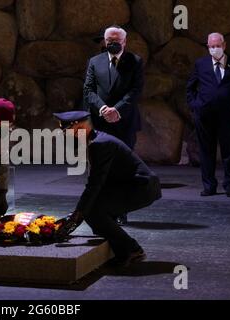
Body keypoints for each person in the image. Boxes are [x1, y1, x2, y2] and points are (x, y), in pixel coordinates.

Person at [54, 111, 162, 267]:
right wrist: (78, 213)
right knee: (93, 209)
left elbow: (95, 184)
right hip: (130, 185)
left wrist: (77, 216)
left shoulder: (99, 144)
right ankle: (115, 245)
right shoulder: (96, 139)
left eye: (68, 131)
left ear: (80, 127)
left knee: (93, 212)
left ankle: (133, 250)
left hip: (141, 188)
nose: (66, 135)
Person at [84, 25, 145, 225]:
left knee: (124, 167)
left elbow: (135, 90)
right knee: (101, 167)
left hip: (124, 122)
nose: (113, 43)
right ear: (104, 40)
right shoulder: (95, 62)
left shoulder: (135, 61)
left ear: (125, 41)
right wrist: (103, 109)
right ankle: (101, 207)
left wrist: (117, 110)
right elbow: (89, 90)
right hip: (101, 123)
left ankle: (121, 209)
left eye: (117, 39)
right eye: (109, 40)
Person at [186, 33, 230, 198]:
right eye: (211, 46)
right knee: (206, 151)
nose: (214, 49)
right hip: (204, 115)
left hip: (228, 116)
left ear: (224, 45)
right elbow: (190, 88)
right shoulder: (201, 64)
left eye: (217, 45)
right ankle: (209, 186)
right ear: (208, 47)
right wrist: (195, 106)